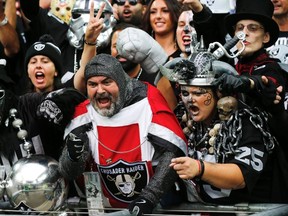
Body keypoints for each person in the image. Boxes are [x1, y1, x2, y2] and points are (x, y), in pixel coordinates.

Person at [49, 53, 188, 215]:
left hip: (152, 208)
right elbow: (69, 173)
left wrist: (150, 196)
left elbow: (173, 154)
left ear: (121, 82)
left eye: (106, 82)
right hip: (105, 210)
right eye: (92, 84)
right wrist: (72, 157)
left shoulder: (148, 100)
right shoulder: (83, 114)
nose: (100, 90)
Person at [163, 57, 288, 204]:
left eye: (198, 93)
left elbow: (240, 177)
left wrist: (200, 168)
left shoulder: (246, 123)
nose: (190, 99)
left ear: (219, 94)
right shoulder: (182, 120)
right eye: (185, 93)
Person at [211, 0, 288, 156]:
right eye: (239, 28)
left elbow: (270, 83)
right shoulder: (229, 65)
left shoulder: (271, 67)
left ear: (265, 37)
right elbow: (209, 33)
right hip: (228, 150)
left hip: (266, 159)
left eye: (252, 28)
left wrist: (247, 82)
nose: (243, 33)